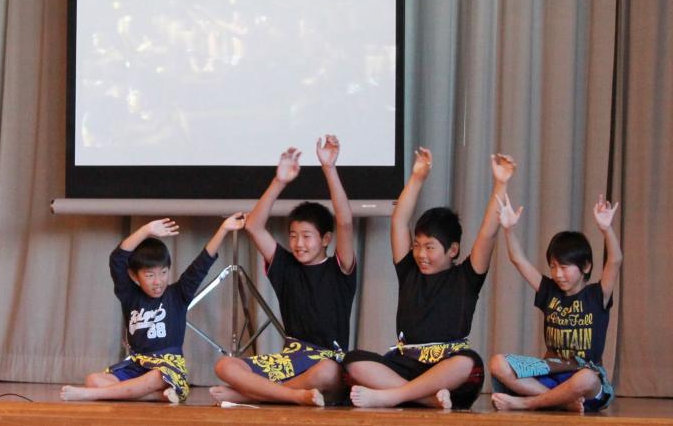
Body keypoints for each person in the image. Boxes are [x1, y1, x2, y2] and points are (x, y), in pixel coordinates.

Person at [343, 148, 515, 409]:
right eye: (417, 245)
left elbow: (488, 233)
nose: (421, 254)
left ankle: (392, 396)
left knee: (468, 364)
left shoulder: (466, 277)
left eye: (430, 247)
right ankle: (426, 398)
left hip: (446, 366)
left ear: (453, 250)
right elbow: (399, 222)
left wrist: (501, 184)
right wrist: (417, 177)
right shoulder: (409, 270)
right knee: (353, 362)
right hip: (407, 363)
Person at [210, 136, 356, 406]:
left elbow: (345, 222)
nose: (299, 244)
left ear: (325, 239)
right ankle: (291, 396)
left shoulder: (340, 268)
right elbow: (253, 226)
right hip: (290, 359)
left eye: (307, 236)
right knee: (225, 366)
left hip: (325, 361)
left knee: (328, 372)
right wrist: (280, 181)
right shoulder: (286, 266)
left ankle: (253, 395)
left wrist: (329, 168)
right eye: (293, 236)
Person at [60, 212, 246, 404]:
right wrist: (146, 230)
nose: (158, 282)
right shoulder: (129, 295)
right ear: (134, 276)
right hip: (137, 365)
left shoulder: (178, 294)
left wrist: (223, 229)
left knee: (157, 376)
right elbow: (117, 259)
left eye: (163, 273)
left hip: (166, 368)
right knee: (94, 379)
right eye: (149, 276)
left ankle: (90, 395)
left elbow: (202, 264)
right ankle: (158, 396)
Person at [489, 192, 622, 413]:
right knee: (497, 364)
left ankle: (527, 403)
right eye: (553, 266)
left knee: (586, 380)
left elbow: (615, 260)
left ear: (586, 267)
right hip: (550, 371)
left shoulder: (597, 295)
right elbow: (518, 260)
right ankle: (560, 401)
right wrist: (508, 229)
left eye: (565, 267)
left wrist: (606, 229)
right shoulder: (549, 290)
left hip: (585, 377)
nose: (558, 274)